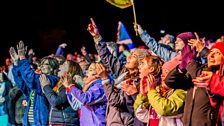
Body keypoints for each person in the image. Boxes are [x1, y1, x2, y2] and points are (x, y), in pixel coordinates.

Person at [164, 40, 224, 125]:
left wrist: (201, 51)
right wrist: (182, 66)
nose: (212, 55)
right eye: (211, 52)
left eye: (218, 53)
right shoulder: (198, 71)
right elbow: (170, 81)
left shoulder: (220, 76)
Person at [9, 40, 59, 126]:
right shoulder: (39, 80)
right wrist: (16, 64)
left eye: (45, 64)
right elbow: (22, 83)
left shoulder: (52, 80)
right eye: (41, 64)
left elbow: (31, 78)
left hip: (41, 123)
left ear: (52, 67)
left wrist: (23, 59)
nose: (42, 66)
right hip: (29, 122)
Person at [39, 60, 81, 126]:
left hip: (64, 123)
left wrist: (46, 86)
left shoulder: (70, 85)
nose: (60, 66)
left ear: (70, 71)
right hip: (59, 122)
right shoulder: (60, 85)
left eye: (64, 65)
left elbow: (56, 102)